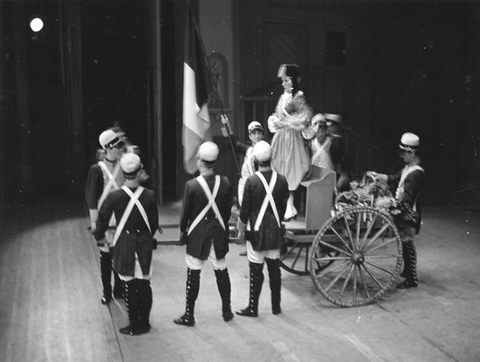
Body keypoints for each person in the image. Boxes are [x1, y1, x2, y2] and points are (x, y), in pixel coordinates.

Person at [94, 153, 158, 335]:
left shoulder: (115, 197)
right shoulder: (150, 195)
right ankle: (145, 322)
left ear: (123, 172)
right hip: (144, 244)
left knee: (129, 285)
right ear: (139, 171)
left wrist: (99, 236)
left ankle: (134, 325)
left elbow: (102, 219)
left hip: (124, 245)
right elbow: (153, 224)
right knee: (145, 284)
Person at [174, 141, 234, 326]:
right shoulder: (224, 182)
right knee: (221, 271)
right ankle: (226, 310)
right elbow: (226, 211)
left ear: (200, 161)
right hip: (217, 234)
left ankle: (189, 315)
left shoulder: (191, 185)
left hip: (198, 236)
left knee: (194, 273)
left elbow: (185, 216)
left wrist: (183, 232)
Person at [236, 141, 289, 317]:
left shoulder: (251, 182)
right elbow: (282, 207)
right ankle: (276, 307)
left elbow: (244, 211)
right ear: (271, 158)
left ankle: (253, 307)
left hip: (256, 232)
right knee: (275, 270)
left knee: (256, 270)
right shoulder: (282, 180)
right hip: (274, 231)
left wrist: (241, 229)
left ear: (255, 161)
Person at [367, 132, 425, 289]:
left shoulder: (417, 173)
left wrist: (388, 203)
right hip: (401, 210)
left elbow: (407, 200)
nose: (401, 156)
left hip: (408, 213)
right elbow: (395, 178)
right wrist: (379, 176)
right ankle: (407, 272)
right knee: (404, 242)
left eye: (403, 153)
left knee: (407, 242)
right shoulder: (409, 168)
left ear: (411, 153)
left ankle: (412, 278)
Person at [268, 64, 313, 220]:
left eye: (286, 80)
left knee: (290, 168)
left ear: (293, 81)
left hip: (292, 138)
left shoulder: (297, 97)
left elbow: (306, 117)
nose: (283, 83)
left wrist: (287, 123)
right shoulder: (283, 97)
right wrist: (275, 120)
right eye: (283, 80)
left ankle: (290, 203)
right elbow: (277, 113)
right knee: (278, 166)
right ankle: (283, 203)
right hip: (281, 138)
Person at [85, 129, 126, 305]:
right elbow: (91, 198)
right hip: (105, 219)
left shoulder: (123, 166)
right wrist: (95, 222)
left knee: (119, 255)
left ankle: (118, 289)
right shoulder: (97, 169)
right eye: (116, 147)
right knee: (106, 256)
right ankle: (106, 291)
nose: (119, 150)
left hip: (121, 218)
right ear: (108, 148)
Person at [220, 116, 265, 256]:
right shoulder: (249, 150)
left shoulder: (264, 152)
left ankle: (258, 243)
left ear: (262, 135)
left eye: (259, 133)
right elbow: (233, 145)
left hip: (258, 188)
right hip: (246, 186)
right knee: (248, 216)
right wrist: (227, 126)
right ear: (250, 136)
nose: (257, 136)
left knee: (256, 216)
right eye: (254, 133)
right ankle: (249, 245)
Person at [310, 113, 350, 192]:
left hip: (329, 180)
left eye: (323, 129)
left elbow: (343, 162)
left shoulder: (334, 143)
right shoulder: (309, 144)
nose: (321, 133)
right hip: (313, 181)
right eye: (318, 130)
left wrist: (343, 175)